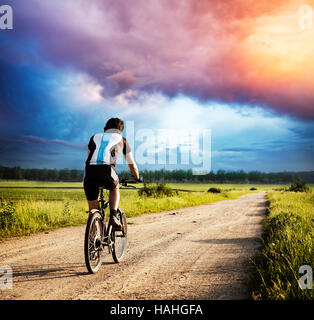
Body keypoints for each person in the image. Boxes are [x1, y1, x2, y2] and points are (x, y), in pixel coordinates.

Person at [83, 118, 140, 228]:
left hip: (89, 170)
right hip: (107, 169)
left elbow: (89, 154)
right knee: (115, 186)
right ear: (120, 129)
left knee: (93, 208)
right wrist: (137, 177)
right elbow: (132, 165)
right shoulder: (122, 140)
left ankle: (95, 230)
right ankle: (113, 215)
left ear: (106, 128)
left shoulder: (94, 137)